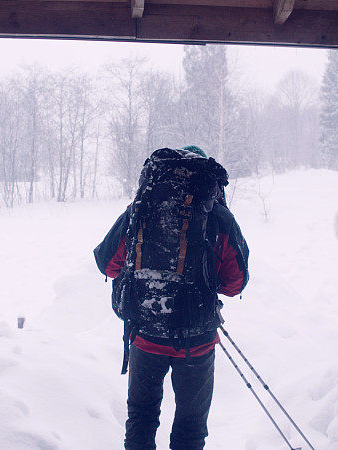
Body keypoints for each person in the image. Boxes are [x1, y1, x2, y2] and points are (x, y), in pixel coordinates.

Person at [94, 146, 249, 450]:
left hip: (145, 333)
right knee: (191, 428)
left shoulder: (140, 210)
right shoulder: (218, 216)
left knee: (141, 417)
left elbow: (107, 263)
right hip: (197, 340)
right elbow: (235, 283)